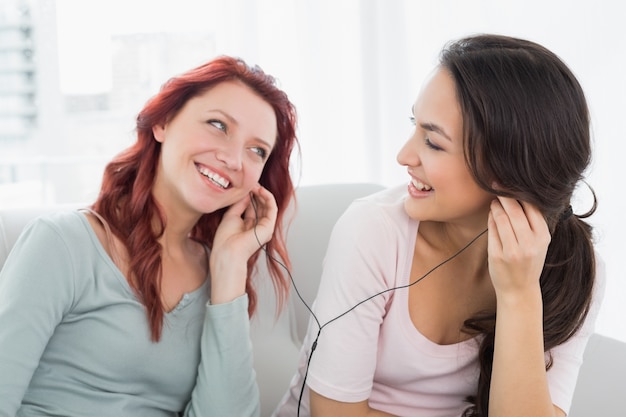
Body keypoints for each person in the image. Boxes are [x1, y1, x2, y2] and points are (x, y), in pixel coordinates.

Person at [273, 34, 605, 417]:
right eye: (415, 125)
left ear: (507, 170)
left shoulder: (576, 269)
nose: (403, 156)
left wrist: (519, 295)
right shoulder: (372, 232)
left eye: (432, 141)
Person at [0, 56, 299, 416]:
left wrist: (229, 267)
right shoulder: (63, 244)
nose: (234, 159)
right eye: (218, 124)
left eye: (257, 150)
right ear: (163, 122)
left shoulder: (219, 279)